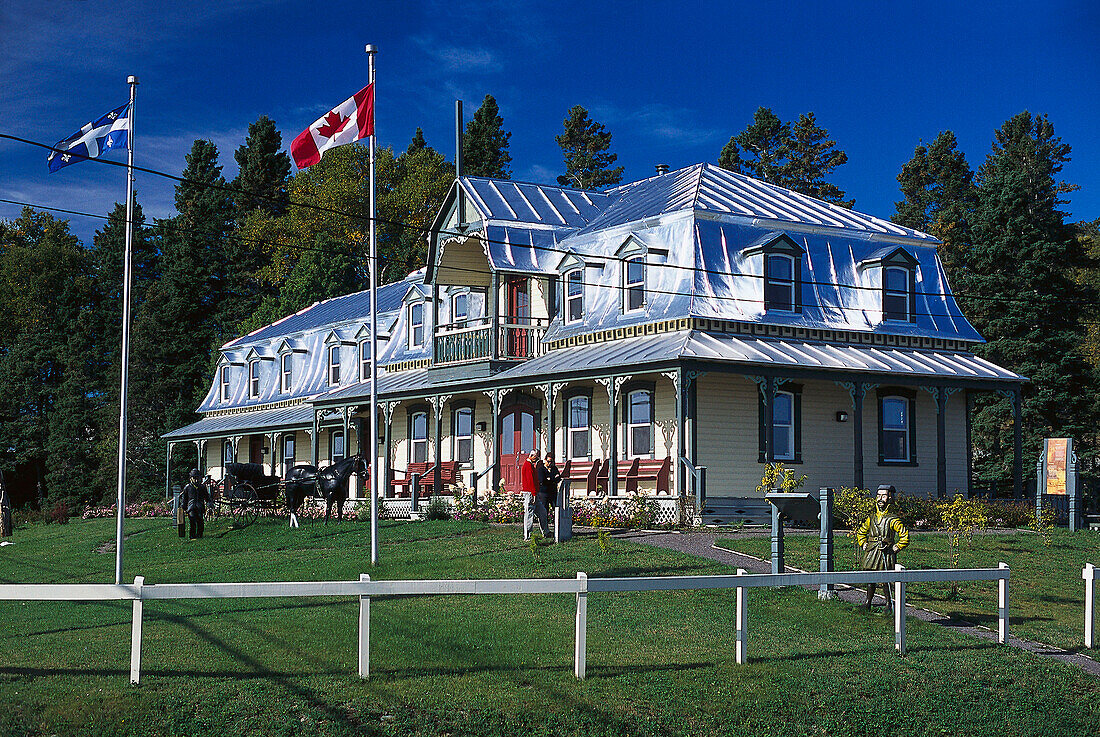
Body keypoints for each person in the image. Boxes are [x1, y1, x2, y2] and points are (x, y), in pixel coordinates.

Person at [855, 485, 909, 611]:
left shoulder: (893, 519)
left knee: (886, 579)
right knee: (870, 578)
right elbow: (861, 531)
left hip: (886, 552)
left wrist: (895, 548)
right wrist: (863, 543)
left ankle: (888, 604)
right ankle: (868, 602)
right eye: (878, 495)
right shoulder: (871, 518)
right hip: (872, 551)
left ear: (890, 498)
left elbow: (904, 536)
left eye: (883, 496)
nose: (880, 499)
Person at [181, 469, 211, 540]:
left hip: (199, 506)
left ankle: (199, 535)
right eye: (194, 478)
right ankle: (192, 535)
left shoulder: (202, 487)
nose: (196, 480)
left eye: (198, 478)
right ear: (191, 478)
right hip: (191, 507)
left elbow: (207, 496)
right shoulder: (188, 487)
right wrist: (183, 507)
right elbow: (184, 498)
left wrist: (209, 503)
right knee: (192, 521)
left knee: (200, 521)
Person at [538, 451, 561, 540]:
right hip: (543, 493)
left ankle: (557, 529)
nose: (549, 463)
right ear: (545, 460)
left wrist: (550, 479)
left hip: (553, 492)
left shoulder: (554, 468)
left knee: (556, 509)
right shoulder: (541, 469)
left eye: (551, 461)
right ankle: (545, 531)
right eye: (548, 461)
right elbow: (542, 480)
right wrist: (552, 479)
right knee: (544, 512)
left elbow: (558, 478)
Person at [520, 449, 538, 540]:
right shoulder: (528, 466)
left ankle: (546, 531)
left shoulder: (530, 465)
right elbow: (530, 481)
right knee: (529, 514)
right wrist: (534, 494)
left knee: (542, 512)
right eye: (536, 456)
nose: (537, 458)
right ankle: (527, 536)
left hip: (533, 492)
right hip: (529, 493)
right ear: (532, 456)